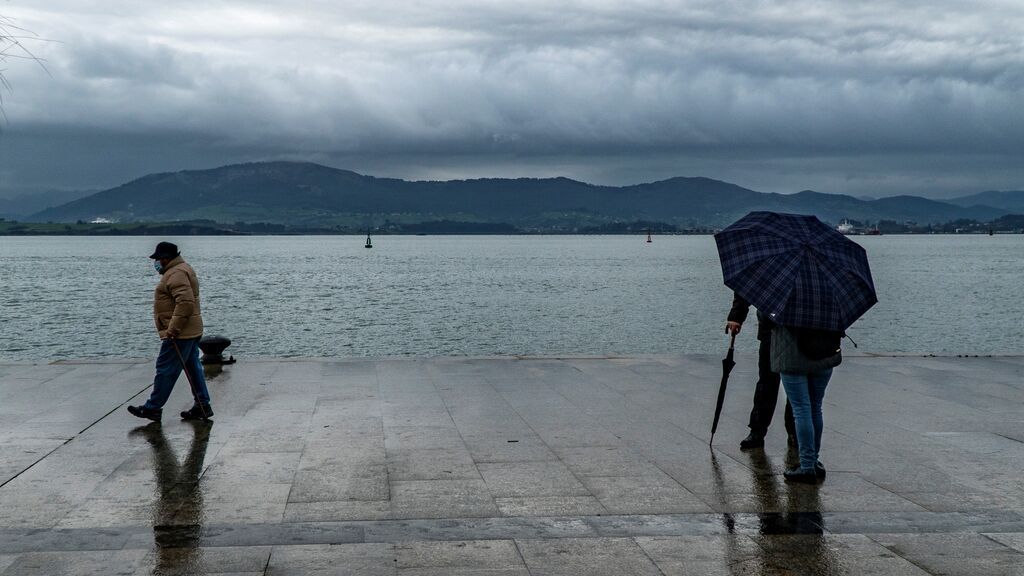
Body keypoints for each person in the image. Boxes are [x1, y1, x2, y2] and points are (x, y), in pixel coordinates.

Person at [128, 241, 213, 422]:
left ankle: (153, 407)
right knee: (193, 368)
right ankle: (202, 405)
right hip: (190, 330)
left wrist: (172, 329)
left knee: (165, 369)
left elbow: (185, 303)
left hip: (180, 333)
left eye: (157, 259)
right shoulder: (182, 269)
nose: (156, 262)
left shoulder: (175, 274)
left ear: (165, 258)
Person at [770, 325, 843, 483]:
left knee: (801, 409)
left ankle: (807, 465)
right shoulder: (829, 299)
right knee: (816, 407)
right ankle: (814, 461)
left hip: (790, 354)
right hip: (823, 352)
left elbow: (766, 317)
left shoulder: (783, 299)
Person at [726, 293, 795, 449]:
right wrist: (736, 315)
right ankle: (758, 430)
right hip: (771, 327)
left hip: (799, 328)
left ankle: (794, 431)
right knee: (767, 381)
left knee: (796, 384)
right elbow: (749, 283)